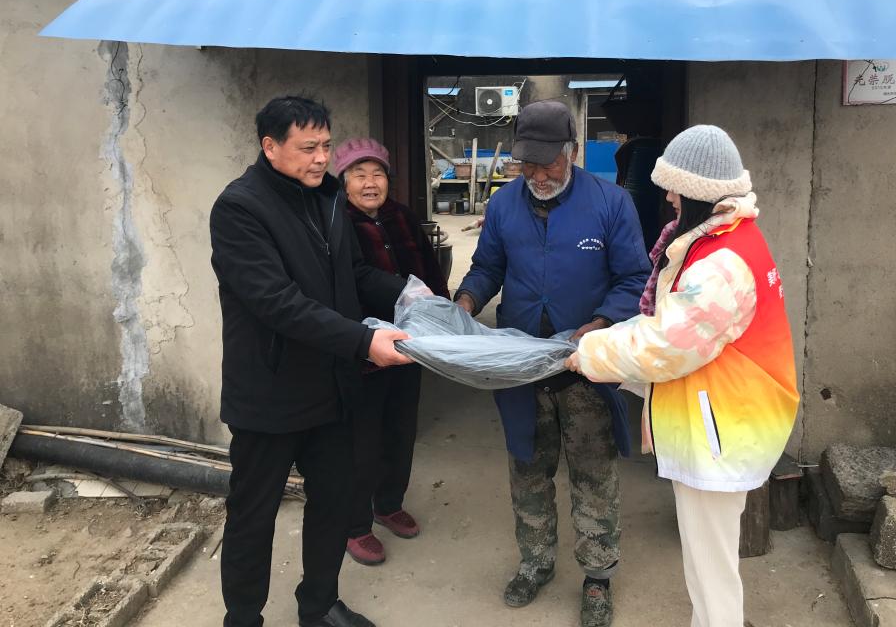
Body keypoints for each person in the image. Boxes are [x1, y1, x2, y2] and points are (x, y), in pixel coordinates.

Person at [566, 125, 800, 627]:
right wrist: (607, 342)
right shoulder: (730, 238)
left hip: (721, 428)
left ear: (698, 192)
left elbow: (668, 346)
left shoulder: (720, 265)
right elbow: (672, 326)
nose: (667, 197)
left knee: (710, 571)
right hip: (729, 416)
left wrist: (590, 353)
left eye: (674, 188)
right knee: (711, 564)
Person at [210, 96, 411, 627]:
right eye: (307, 148)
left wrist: (411, 294)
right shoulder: (239, 208)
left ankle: (319, 606)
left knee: (334, 503)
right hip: (269, 392)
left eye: (325, 145)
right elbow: (277, 302)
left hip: (332, 386)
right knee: (253, 514)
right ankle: (243, 618)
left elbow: (353, 273)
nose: (322, 158)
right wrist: (363, 342)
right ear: (270, 146)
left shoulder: (328, 199)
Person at [453, 100, 650, 627]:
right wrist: (466, 301)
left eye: (548, 164)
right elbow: (487, 266)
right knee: (528, 470)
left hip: (585, 367)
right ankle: (535, 563)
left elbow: (635, 279)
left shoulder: (610, 203)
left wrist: (601, 322)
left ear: (572, 152)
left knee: (594, 474)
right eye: (527, 164)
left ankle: (597, 576)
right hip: (521, 366)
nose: (537, 175)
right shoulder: (503, 206)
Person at [331, 137, 451, 566]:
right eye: (359, 174)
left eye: (377, 173)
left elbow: (429, 268)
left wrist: (442, 307)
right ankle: (355, 525)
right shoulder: (334, 222)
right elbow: (350, 278)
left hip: (410, 343)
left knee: (401, 429)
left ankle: (389, 504)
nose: (370, 183)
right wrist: (404, 293)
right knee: (361, 440)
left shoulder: (401, 216)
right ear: (343, 181)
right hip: (362, 347)